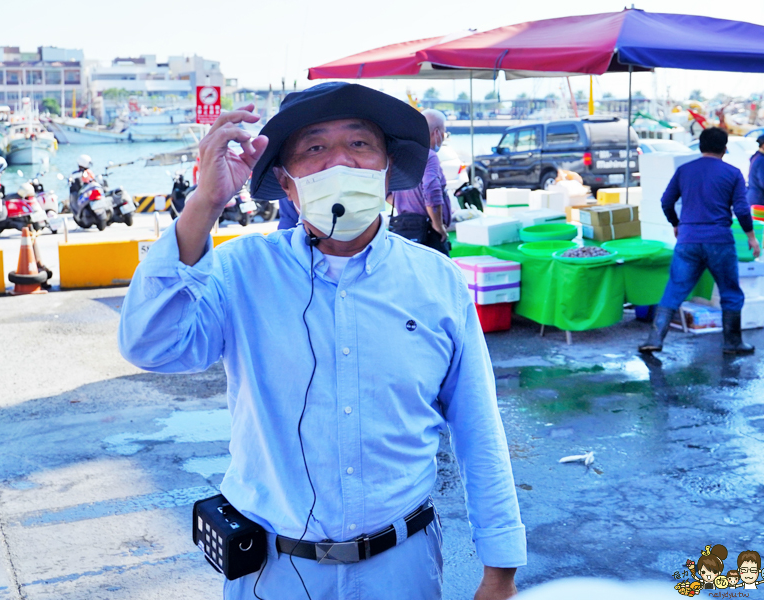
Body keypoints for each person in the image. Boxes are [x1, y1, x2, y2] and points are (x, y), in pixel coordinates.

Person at [118, 82, 525, 600]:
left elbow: (479, 429)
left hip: (403, 567)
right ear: (286, 184)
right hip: (272, 572)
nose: (340, 163)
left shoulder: (437, 281)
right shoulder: (242, 270)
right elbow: (150, 344)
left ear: (385, 173)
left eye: (360, 144)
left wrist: (500, 570)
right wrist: (206, 202)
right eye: (314, 148)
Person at [640, 127, 760, 355]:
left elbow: (666, 201)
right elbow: (743, 210)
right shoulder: (733, 173)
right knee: (730, 291)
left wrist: (676, 223)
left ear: (701, 146)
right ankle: (732, 343)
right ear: (725, 149)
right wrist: (751, 238)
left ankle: (654, 339)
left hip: (688, 240)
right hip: (719, 241)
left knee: (675, 288)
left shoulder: (684, 170)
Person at [389, 109, 452, 255]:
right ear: (436, 133)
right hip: (428, 232)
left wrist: (408, 205)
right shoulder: (429, 156)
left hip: (405, 229)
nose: (444, 136)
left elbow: (386, 190)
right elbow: (431, 189)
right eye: (444, 132)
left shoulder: (403, 155)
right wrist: (438, 226)